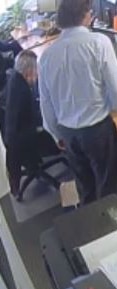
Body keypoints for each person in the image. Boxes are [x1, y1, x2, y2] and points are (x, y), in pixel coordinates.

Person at [38, 0, 117, 205]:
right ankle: (112, 231)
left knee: (86, 188)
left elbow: (45, 104)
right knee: (107, 187)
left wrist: (56, 134)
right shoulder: (99, 43)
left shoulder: (46, 57)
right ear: (86, 16)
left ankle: (93, 231)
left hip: (69, 133)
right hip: (97, 130)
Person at [3, 50, 60, 196]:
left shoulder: (14, 78)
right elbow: (38, 117)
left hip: (15, 137)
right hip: (26, 138)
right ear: (29, 71)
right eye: (36, 72)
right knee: (59, 122)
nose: (37, 76)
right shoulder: (22, 91)